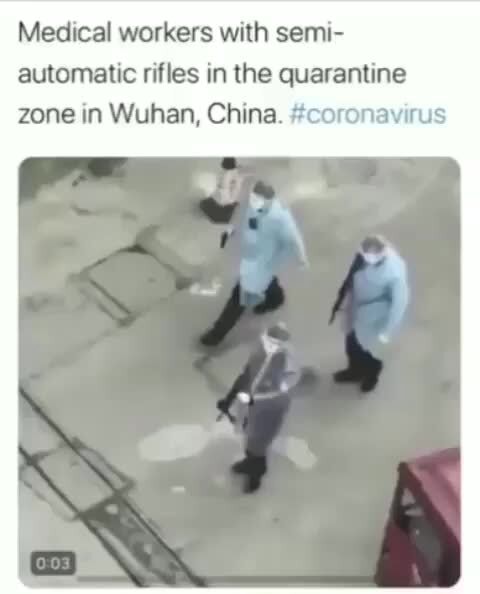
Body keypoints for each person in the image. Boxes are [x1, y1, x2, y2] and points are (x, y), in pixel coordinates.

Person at [200, 181, 308, 347]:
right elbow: (240, 216)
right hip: (251, 255)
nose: (252, 201)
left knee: (238, 299)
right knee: (265, 281)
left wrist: (301, 259)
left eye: (256, 199)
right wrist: (231, 230)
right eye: (252, 197)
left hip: (263, 261)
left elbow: (294, 239)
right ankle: (275, 297)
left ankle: (217, 334)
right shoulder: (252, 204)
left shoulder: (280, 217)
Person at [216, 323, 301, 493]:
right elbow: (246, 375)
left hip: (271, 406)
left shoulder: (287, 362)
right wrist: (229, 399)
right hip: (252, 403)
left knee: (259, 442)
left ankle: (256, 472)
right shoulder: (259, 352)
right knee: (249, 437)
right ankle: (250, 461)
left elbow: (291, 384)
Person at [329, 235, 410, 393]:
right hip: (356, 306)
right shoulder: (364, 256)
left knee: (365, 349)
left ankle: (372, 372)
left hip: (373, 316)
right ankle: (354, 370)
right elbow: (352, 273)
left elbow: (400, 304)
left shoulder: (394, 272)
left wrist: (387, 331)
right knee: (351, 344)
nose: (364, 258)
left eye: (368, 256)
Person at [199, 158, 243, 224]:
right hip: (224, 204)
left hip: (221, 202)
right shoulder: (232, 175)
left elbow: (223, 188)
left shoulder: (225, 175)